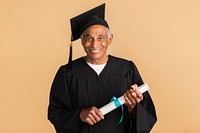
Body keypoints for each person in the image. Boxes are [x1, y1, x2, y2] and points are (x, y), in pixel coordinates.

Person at [48, 3, 157, 133]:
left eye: (101, 38)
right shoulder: (67, 73)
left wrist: (133, 107)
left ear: (110, 39)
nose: (95, 44)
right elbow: (55, 113)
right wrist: (79, 115)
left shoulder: (126, 69)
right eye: (88, 38)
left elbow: (147, 115)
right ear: (81, 41)